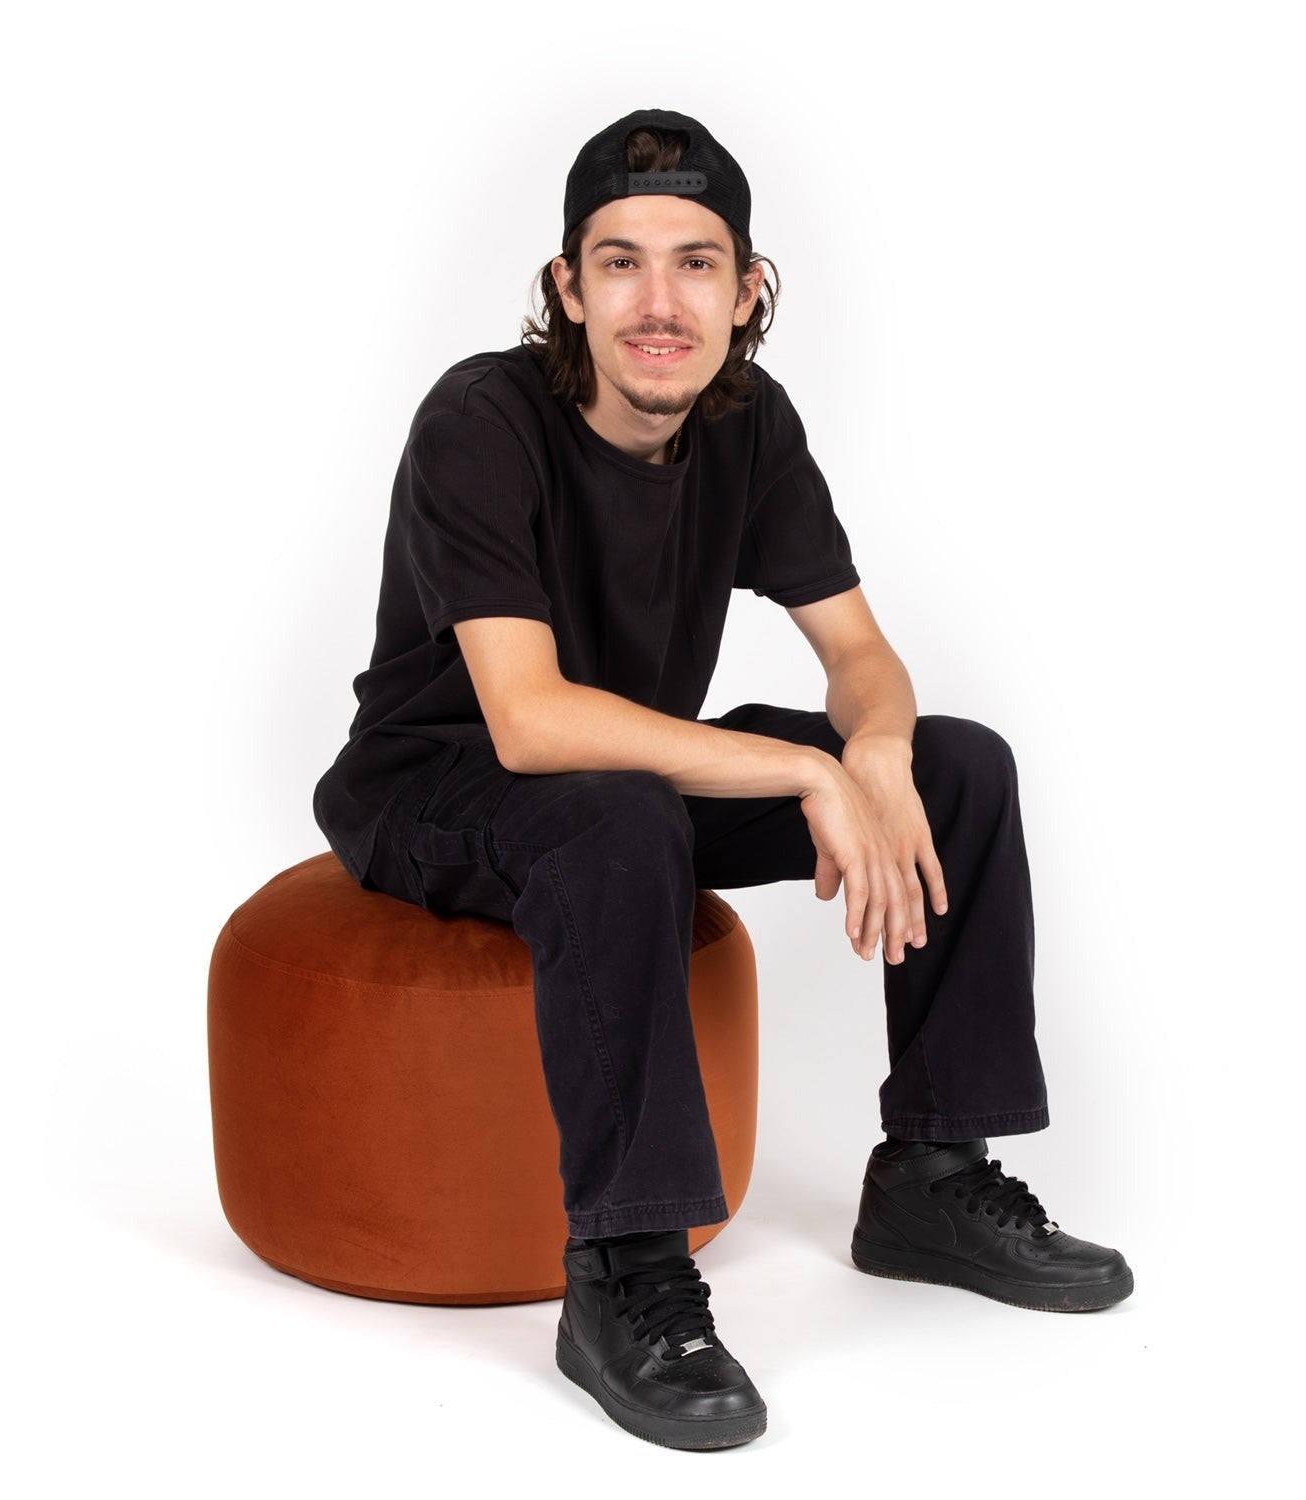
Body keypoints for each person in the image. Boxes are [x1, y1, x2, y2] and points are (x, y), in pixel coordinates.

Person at [313, 107, 1132, 1451]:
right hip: (435, 781)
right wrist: (794, 773)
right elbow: (523, 721)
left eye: (696, 262)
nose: (658, 300)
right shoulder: (483, 420)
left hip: (621, 776)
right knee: (621, 811)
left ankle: (933, 1170)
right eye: (619, 261)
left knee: (957, 770)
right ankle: (625, 1275)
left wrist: (867, 755)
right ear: (567, 291)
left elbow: (860, 653)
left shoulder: (748, 424)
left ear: (746, 290)